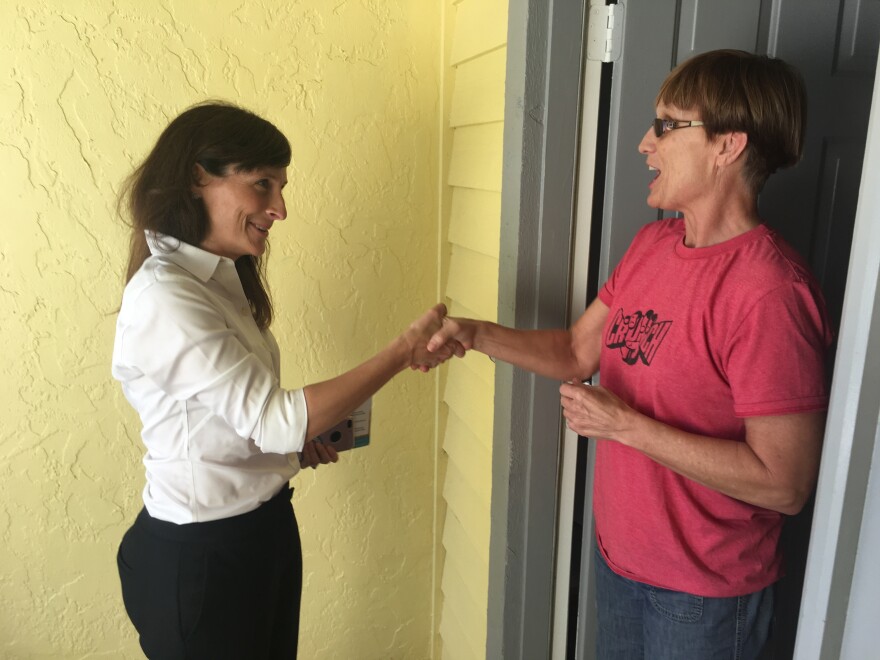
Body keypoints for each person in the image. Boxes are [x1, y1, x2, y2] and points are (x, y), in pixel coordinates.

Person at [428, 49, 832, 659]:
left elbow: (784, 484)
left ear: (727, 146)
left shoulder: (770, 292)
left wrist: (627, 426)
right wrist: (476, 334)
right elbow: (573, 351)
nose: (646, 143)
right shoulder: (653, 244)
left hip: (704, 597)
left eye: (668, 125)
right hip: (621, 562)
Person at [112, 101, 454, 659]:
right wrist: (401, 352)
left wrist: (292, 448)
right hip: (204, 560)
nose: (280, 208)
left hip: (258, 534)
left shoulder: (218, 278)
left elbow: (242, 419)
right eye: (263, 185)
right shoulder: (166, 295)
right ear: (199, 177)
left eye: (281, 187)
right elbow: (273, 420)